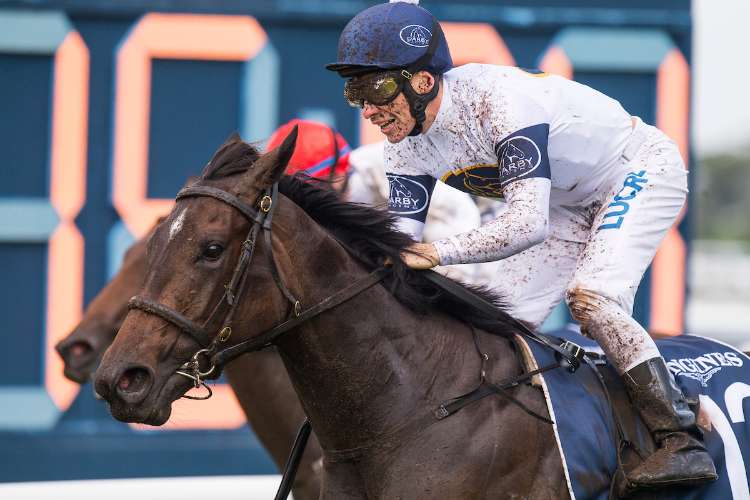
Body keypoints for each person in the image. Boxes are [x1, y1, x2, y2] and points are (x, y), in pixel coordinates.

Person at [325, 0, 716, 492]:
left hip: (636, 172)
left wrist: (438, 253)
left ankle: (680, 437)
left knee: (593, 298)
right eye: (354, 92)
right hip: (565, 203)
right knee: (500, 321)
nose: (367, 109)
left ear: (422, 81)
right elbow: (400, 245)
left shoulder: (496, 103)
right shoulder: (404, 148)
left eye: (377, 89)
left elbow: (526, 224)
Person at [266, 119, 486, 284]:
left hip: (482, 244)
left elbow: (459, 256)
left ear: (338, 171)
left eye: (313, 191)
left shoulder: (397, 165)